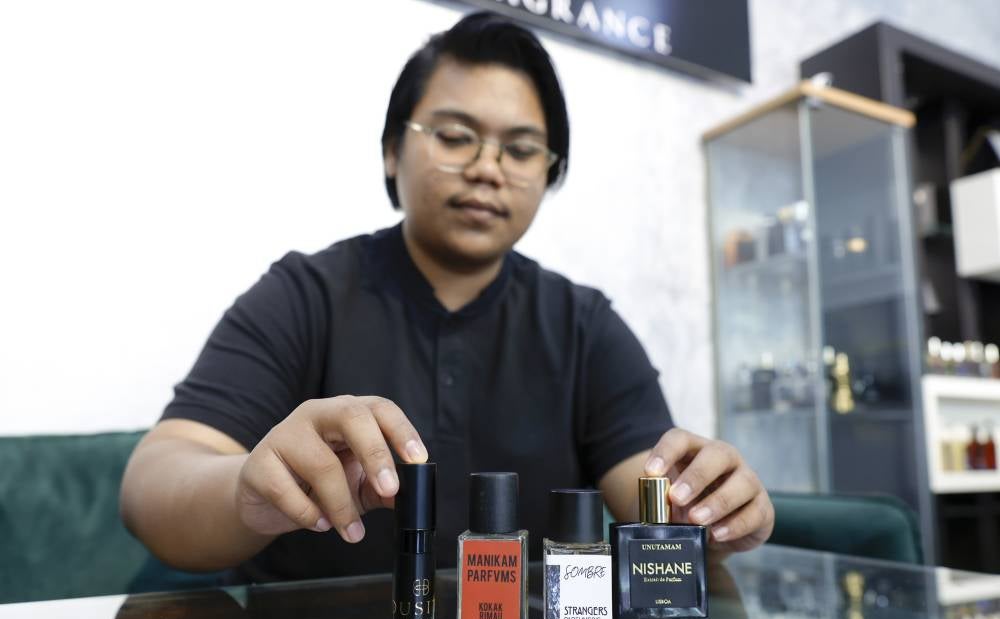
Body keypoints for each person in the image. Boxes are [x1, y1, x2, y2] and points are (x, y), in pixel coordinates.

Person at [120, 12, 774, 583]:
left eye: (521, 149)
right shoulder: (304, 294)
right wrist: (243, 490)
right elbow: (153, 482)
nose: (489, 168)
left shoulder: (584, 326)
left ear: (547, 176)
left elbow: (655, 501)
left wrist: (713, 508)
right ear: (391, 151)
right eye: (457, 136)